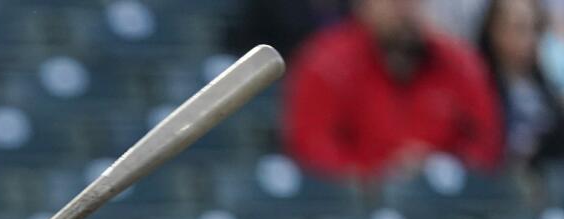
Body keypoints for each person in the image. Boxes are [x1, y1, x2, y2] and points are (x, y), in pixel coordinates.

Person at [284, 0, 504, 178]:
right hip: (352, 214)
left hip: (445, 213)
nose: (405, 9)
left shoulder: (459, 64)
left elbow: (485, 145)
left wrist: (439, 168)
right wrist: (380, 176)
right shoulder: (326, 63)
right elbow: (311, 151)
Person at [479, 0, 564, 167]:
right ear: (493, 30)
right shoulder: (479, 87)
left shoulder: (545, 89)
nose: (529, 39)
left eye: (535, 29)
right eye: (520, 28)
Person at [226, 0, 350, 59]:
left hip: (344, 76)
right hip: (281, 71)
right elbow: (245, 42)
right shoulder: (273, 5)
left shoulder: (355, 7)